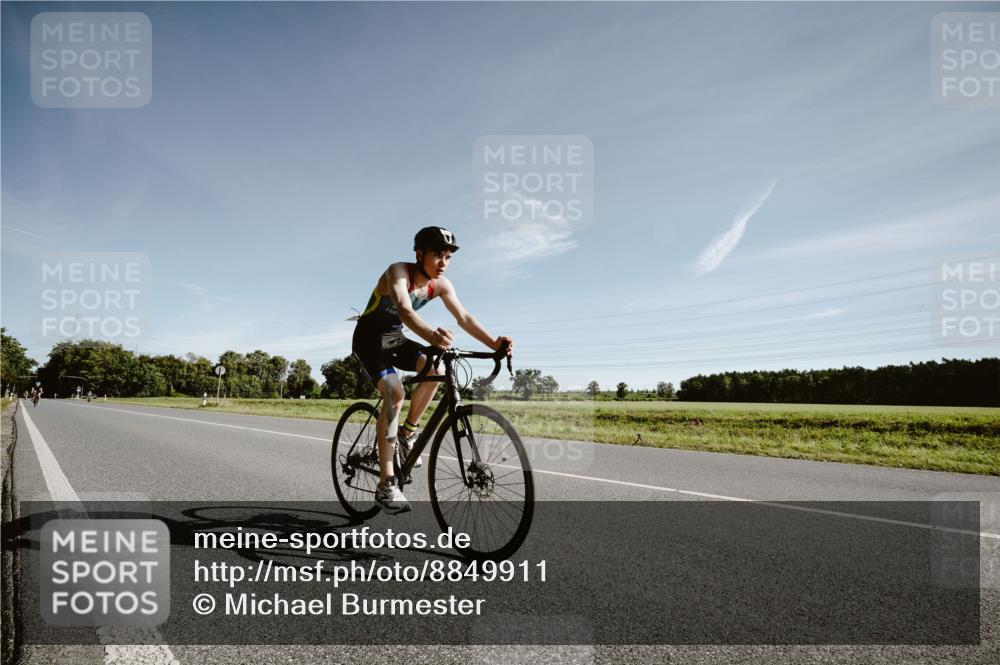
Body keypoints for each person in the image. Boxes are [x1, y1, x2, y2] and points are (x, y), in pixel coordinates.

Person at [351, 226, 513, 514]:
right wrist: (430, 335)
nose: (443, 263)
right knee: (395, 392)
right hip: (369, 339)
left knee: (435, 367)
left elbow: (463, 317)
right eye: (438, 255)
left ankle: (407, 432)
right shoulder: (398, 271)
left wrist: (494, 342)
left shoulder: (441, 285)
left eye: (448, 257)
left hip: (395, 339)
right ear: (419, 254)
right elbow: (403, 308)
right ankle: (387, 483)